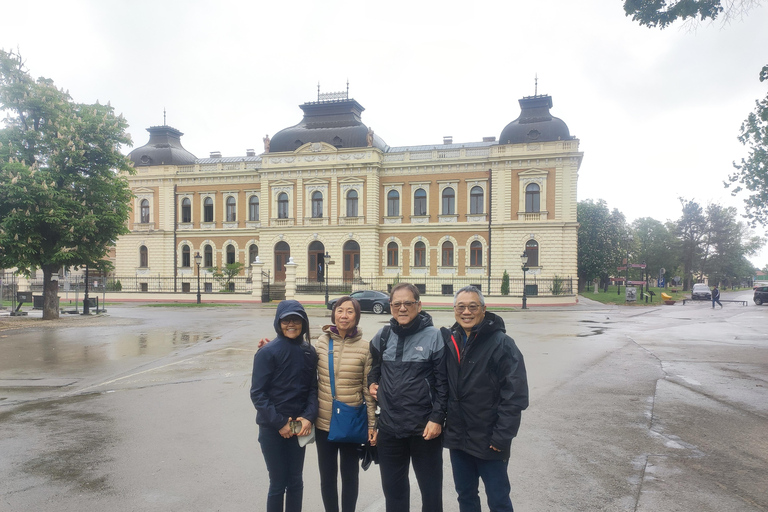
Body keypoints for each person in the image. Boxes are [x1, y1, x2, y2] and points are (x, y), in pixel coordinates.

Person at [441, 286, 528, 512]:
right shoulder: (451, 341)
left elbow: (515, 395)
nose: (466, 312)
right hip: (459, 438)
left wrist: (502, 437)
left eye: (473, 306)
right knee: (466, 497)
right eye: (461, 307)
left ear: (483, 309)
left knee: (498, 500)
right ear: (454, 310)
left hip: (490, 438)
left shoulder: (502, 343)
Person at [368, 282, 448, 512]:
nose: (402, 308)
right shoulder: (382, 336)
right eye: (397, 304)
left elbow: (444, 384)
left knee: (431, 495)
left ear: (419, 305)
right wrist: (372, 382)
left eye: (408, 303)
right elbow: (374, 368)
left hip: (424, 430)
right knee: (394, 496)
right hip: (390, 430)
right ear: (390, 306)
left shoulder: (435, 337)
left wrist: (437, 419)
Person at [251, 300, 318, 512]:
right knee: (278, 483)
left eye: (296, 320)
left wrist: (308, 416)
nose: (291, 324)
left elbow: (313, 389)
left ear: (304, 323)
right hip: (273, 428)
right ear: (278, 322)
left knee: (296, 481)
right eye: (286, 319)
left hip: (299, 427)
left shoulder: (309, 351)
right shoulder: (267, 352)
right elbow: (258, 393)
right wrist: (280, 422)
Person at [315, 296, 376, 512]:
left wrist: (371, 426)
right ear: (334, 314)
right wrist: (270, 348)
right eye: (340, 310)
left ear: (357, 317)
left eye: (350, 311)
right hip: (324, 422)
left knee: (350, 475)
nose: (344, 315)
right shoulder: (321, 342)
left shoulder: (365, 347)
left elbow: (367, 391)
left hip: (351, 422)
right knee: (327, 476)